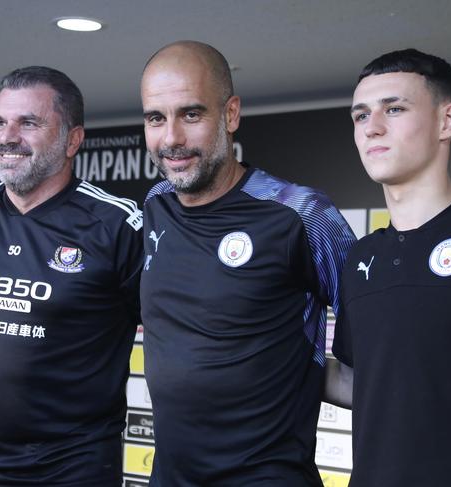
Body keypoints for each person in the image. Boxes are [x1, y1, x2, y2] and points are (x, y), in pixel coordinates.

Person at [139, 40, 356, 486]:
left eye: (191, 114)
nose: (171, 138)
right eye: (156, 118)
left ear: (231, 115)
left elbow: (391, 346)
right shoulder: (156, 204)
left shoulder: (301, 214)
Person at [0, 66, 143, 486]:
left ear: (72, 140)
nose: (8, 136)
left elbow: (178, 334)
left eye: (29, 123)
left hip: (67, 471)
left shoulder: (116, 224)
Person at [330, 48, 451, 487]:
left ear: (447, 121)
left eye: (394, 109)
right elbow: (361, 383)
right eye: (360, 116)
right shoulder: (360, 257)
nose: (372, 128)